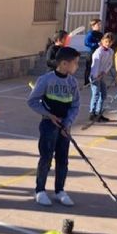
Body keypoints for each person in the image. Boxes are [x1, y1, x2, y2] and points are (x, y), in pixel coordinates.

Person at [27, 46, 81, 207]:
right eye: (75, 63)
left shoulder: (72, 82)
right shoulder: (45, 80)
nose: (77, 66)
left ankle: (59, 190)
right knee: (46, 158)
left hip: (65, 127)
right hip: (48, 125)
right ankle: (40, 190)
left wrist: (68, 122)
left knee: (62, 159)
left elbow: (75, 105)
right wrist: (49, 115)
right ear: (64, 64)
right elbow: (32, 101)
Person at [88, 32, 115, 122]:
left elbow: (110, 63)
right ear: (102, 41)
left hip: (102, 75)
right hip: (95, 76)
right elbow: (95, 64)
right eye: (106, 41)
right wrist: (96, 76)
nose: (108, 44)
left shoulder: (110, 51)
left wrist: (104, 72)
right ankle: (92, 113)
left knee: (103, 94)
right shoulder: (98, 52)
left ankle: (99, 112)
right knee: (95, 94)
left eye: (110, 42)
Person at [84, 19, 104, 86]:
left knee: (97, 67)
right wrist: (96, 44)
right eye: (98, 24)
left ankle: (95, 80)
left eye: (100, 24)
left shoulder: (101, 34)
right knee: (89, 67)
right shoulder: (90, 33)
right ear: (93, 26)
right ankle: (87, 82)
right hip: (91, 52)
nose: (99, 26)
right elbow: (86, 43)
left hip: (99, 52)